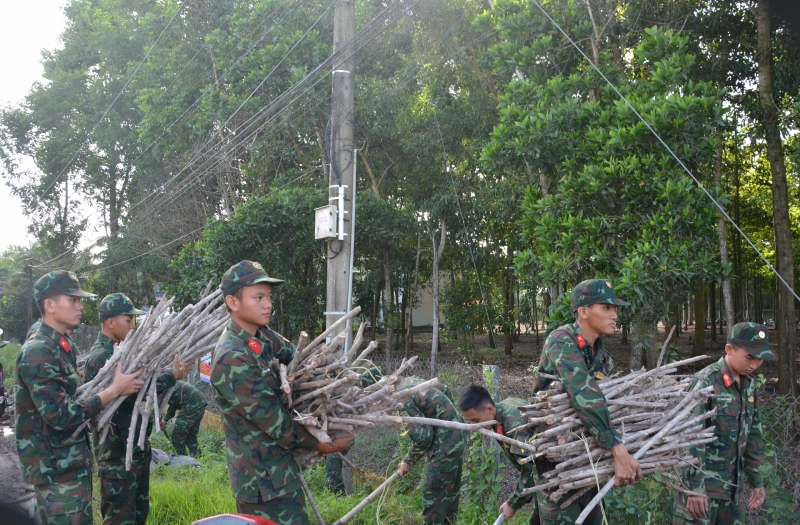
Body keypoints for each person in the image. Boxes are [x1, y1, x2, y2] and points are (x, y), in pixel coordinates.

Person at [210, 260, 354, 525]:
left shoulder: (261, 336)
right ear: (233, 301)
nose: (268, 304)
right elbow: (276, 423)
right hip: (261, 483)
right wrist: (323, 444)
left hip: (278, 473)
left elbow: (299, 356)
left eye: (269, 297)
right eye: (258, 297)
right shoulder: (231, 358)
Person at [15, 271, 144, 525]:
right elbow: (61, 416)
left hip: (68, 466)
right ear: (49, 305)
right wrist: (113, 391)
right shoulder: (39, 351)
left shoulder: (61, 346)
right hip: (55, 471)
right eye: (72, 300)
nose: (80, 306)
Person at [528, 278, 641, 524]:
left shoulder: (603, 357)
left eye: (615, 309)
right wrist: (617, 448)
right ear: (584, 311)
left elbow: (611, 403)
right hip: (554, 458)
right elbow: (585, 394)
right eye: (606, 308)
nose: (614, 315)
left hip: (586, 453)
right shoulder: (561, 340)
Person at [83, 292, 190, 525]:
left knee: (139, 514)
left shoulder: (121, 351)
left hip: (135, 452)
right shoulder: (103, 357)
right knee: (121, 518)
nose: (133, 326)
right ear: (110, 322)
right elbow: (137, 389)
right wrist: (172, 376)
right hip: (116, 455)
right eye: (128, 320)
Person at [672, 322, 773, 525]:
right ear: (729, 349)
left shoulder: (749, 385)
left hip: (733, 493)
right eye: (749, 357)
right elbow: (690, 438)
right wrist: (694, 489)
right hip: (702, 494)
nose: (754, 364)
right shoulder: (706, 382)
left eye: (759, 359)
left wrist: (756, 481)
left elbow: (753, 435)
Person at [458, 385, 539, 524]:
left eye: (476, 421)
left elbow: (532, 470)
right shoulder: (499, 414)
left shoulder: (514, 425)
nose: (474, 427)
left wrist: (513, 503)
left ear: (489, 409)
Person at [393, 375, 467, 525]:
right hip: (457, 434)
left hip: (444, 445)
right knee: (448, 496)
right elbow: (443, 388)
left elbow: (424, 436)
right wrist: (446, 417)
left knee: (434, 495)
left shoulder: (400, 399)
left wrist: (408, 460)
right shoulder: (409, 380)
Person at [162, 380, 208, 457]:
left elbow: (173, 407)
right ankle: (196, 457)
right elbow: (174, 405)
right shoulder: (169, 383)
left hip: (191, 405)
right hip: (200, 404)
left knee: (177, 434)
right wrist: (165, 420)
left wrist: (164, 420)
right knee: (191, 435)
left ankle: (182, 459)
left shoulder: (166, 386)